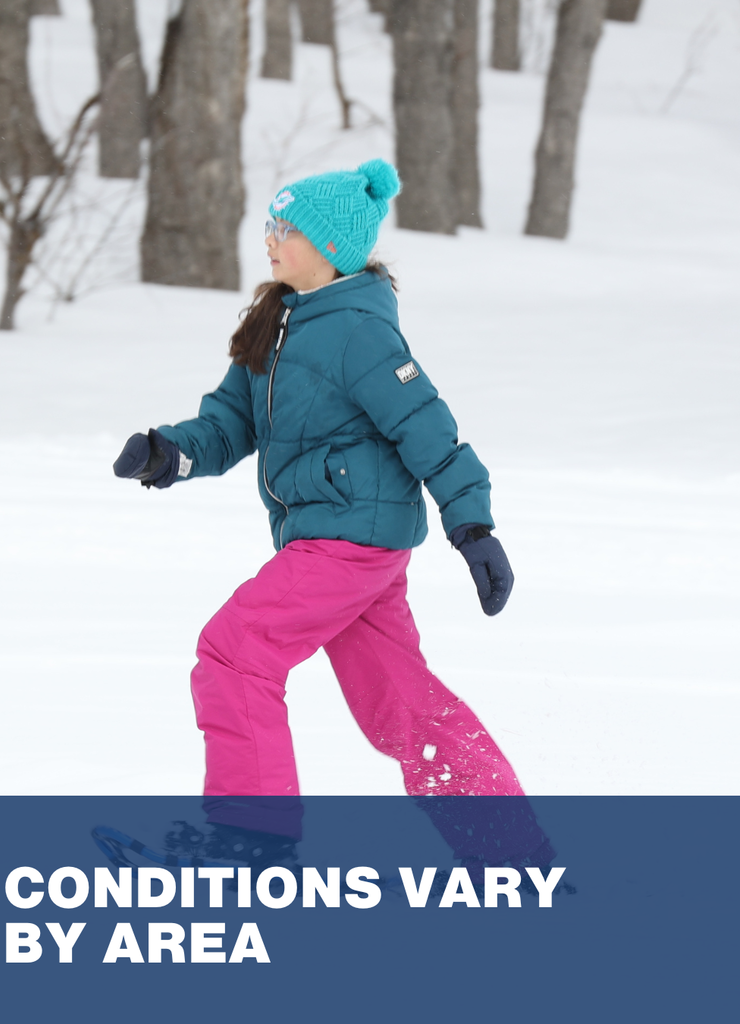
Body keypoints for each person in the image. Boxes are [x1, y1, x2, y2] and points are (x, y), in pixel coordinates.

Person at [114, 159, 533, 863]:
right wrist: (169, 454)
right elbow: (227, 424)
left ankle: (251, 837)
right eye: (270, 225)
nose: (271, 239)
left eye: (286, 228)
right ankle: (510, 853)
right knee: (400, 707)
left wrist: (473, 525)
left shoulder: (360, 332)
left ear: (328, 246)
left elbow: (427, 428)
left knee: (234, 651)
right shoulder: (274, 324)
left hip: (348, 540)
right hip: (334, 541)